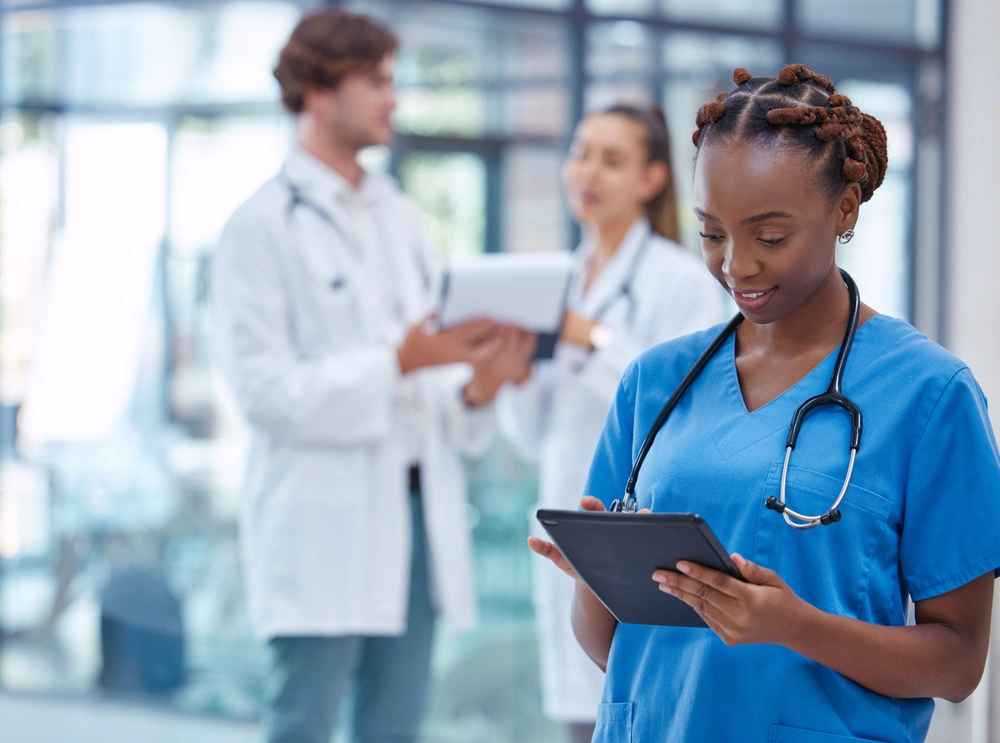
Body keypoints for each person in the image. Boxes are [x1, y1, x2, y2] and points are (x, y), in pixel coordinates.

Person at [529, 64, 1000, 743]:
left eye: (770, 236)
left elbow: (957, 663)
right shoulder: (655, 382)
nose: (737, 266)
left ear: (845, 209)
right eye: (712, 234)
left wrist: (794, 626)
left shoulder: (929, 395)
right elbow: (612, 646)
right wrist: (597, 575)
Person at [211, 10, 534, 743]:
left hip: (417, 520)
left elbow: (431, 382)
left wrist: (479, 383)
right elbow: (265, 393)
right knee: (304, 722)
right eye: (379, 82)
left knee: (395, 727)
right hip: (322, 524)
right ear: (319, 92)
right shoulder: (259, 227)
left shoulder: (400, 217)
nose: (395, 99)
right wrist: (399, 361)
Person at [498, 104, 722, 741]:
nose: (587, 171)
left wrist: (589, 336)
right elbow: (532, 432)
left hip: (638, 532)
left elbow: (679, 403)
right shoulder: (559, 279)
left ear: (652, 179)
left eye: (612, 158)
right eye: (581, 152)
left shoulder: (681, 280)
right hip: (570, 521)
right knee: (580, 718)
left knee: (639, 707)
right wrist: (514, 375)